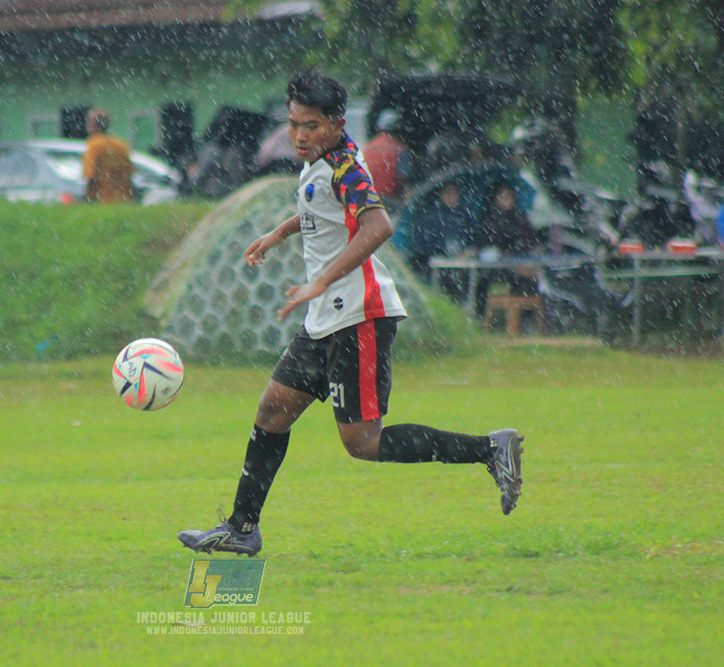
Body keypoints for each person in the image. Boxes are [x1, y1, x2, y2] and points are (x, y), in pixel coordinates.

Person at [177, 68, 524, 558]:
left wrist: (320, 279)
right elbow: (324, 211)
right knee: (273, 411)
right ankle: (241, 528)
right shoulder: (321, 162)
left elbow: (377, 225)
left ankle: (490, 448)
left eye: (311, 125)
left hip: (359, 314)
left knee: (361, 441)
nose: (300, 135)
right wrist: (281, 232)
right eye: (294, 123)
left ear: (337, 124)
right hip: (326, 315)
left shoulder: (347, 167)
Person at [475, 181, 543, 315]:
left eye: (509, 196)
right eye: (503, 196)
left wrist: (528, 264)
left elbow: (530, 242)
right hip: (498, 268)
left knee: (532, 280)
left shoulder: (520, 217)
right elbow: (492, 246)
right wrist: (514, 265)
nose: (507, 200)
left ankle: (526, 319)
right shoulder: (490, 219)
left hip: (521, 263)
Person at [82, 108, 134, 203]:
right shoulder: (121, 145)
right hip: (123, 200)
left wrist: (87, 200)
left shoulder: (93, 145)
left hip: (102, 201)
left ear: (92, 126)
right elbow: (129, 175)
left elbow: (91, 177)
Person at [363, 109, 408, 201]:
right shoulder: (399, 149)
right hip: (390, 199)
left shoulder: (368, 147)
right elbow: (403, 177)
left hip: (368, 197)